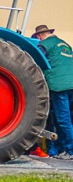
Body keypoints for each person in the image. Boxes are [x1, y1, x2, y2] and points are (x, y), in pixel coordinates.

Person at [34, 24, 73, 159]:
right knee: (66, 118)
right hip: (71, 84)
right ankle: (63, 150)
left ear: (39, 36)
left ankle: (70, 151)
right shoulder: (65, 44)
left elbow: (37, 62)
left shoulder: (44, 45)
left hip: (59, 86)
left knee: (63, 119)